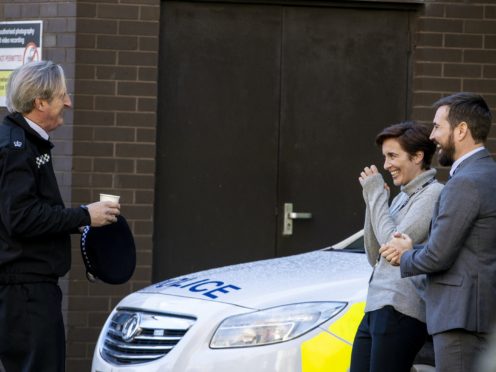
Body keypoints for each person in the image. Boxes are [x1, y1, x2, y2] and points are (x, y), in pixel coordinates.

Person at [0, 61, 120, 372]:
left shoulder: (19, 140)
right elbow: (21, 218)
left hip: (24, 290)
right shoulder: (17, 147)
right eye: (61, 96)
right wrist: (83, 215)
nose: (68, 102)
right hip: (25, 292)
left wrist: (82, 218)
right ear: (40, 102)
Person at [380, 92, 496, 372]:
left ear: (461, 130)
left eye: (437, 127)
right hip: (478, 315)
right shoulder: (488, 173)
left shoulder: (465, 182)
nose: (432, 136)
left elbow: (438, 256)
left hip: (460, 318)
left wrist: (406, 255)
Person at [350, 121, 443, 372]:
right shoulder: (403, 196)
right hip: (376, 307)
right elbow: (375, 256)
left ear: (417, 156)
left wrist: (377, 197)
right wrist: (372, 203)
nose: (386, 164)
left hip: (401, 309)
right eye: (384, 157)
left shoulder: (433, 194)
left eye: (392, 156)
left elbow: (392, 245)